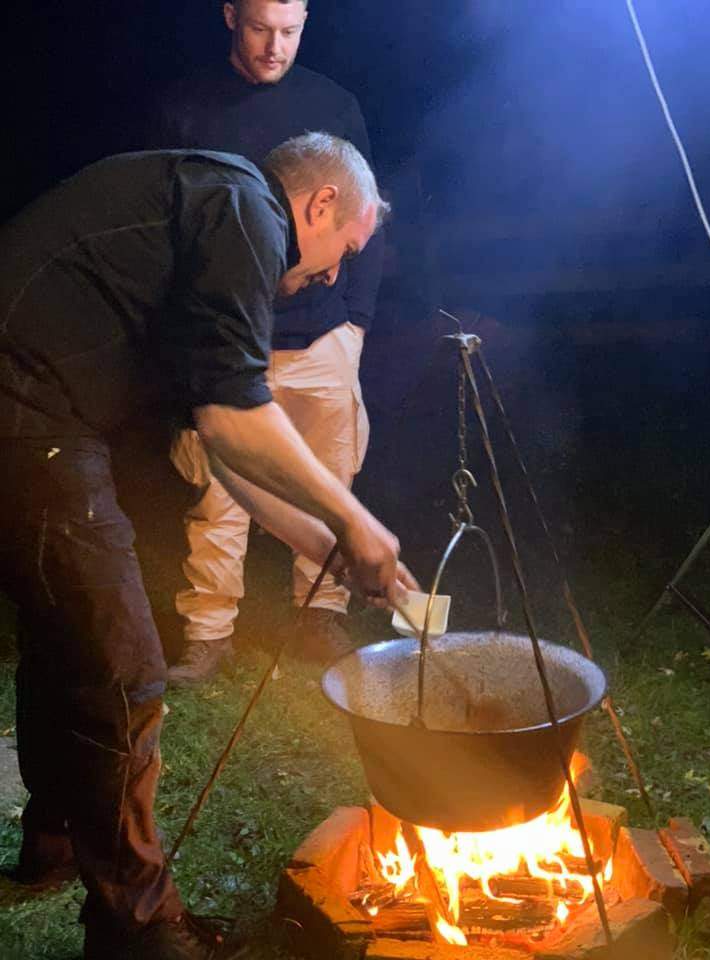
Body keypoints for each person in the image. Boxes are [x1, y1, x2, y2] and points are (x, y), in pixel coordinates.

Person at [0, 133, 416, 960]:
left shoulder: (205, 217)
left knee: (63, 641)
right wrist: (360, 523)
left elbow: (220, 440)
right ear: (320, 205)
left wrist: (332, 542)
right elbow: (237, 417)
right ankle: (140, 930)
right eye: (343, 251)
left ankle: (50, 849)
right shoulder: (245, 211)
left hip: (33, 412)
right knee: (123, 668)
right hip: (26, 411)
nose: (334, 274)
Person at [150, 0, 385, 683]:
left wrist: (357, 323)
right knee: (222, 485)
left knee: (329, 477)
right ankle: (208, 629)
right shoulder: (185, 107)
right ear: (230, 16)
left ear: (306, 20)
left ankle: (320, 613)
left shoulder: (334, 105)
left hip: (323, 336)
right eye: (259, 28)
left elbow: (365, 211)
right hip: (229, 333)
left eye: (289, 30)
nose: (273, 47)